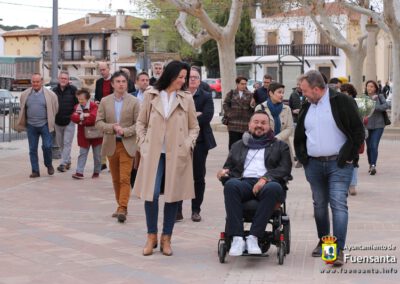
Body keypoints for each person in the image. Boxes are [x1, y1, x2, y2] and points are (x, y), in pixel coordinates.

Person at [294, 70, 365, 267]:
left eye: (305, 90)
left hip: (339, 164)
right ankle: (325, 243)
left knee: (338, 204)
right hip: (314, 165)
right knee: (319, 205)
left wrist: (349, 156)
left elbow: (359, 131)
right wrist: (303, 157)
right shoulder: (307, 105)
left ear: (316, 89)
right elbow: (300, 133)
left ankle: (337, 250)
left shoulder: (342, 101)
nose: (303, 94)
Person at [133, 60, 199, 256]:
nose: (182, 81)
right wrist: (143, 144)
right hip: (153, 152)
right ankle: (151, 236)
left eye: (184, 78)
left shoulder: (186, 98)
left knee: (173, 195)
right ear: (170, 75)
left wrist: (187, 145)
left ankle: (166, 238)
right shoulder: (151, 94)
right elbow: (141, 123)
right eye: (180, 77)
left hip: (177, 153)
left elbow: (194, 127)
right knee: (151, 194)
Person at [218, 111, 292, 256]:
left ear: (270, 126)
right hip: (244, 182)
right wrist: (223, 172)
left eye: (263, 123)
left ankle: (254, 237)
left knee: (273, 187)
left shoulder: (280, 146)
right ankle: (238, 238)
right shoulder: (238, 145)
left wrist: (265, 179)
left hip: (269, 183)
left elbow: (284, 169)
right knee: (231, 186)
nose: (259, 125)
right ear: (249, 124)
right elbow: (229, 168)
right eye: (256, 122)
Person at [96, 71, 140, 223]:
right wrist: (112, 127)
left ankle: (122, 207)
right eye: (118, 81)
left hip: (127, 145)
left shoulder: (134, 101)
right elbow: (99, 122)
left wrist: (125, 131)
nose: (121, 84)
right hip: (111, 144)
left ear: (127, 84)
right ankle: (120, 205)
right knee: (115, 179)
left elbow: (139, 124)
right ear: (113, 84)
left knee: (124, 178)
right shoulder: (104, 101)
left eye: (124, 81)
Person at [176, 66, 216, 222]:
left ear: (200, 80)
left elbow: (207, 117)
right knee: (178, 176)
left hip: (200, 142)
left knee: (198, 177)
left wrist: (186, 118)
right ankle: (177, 210)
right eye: (190, 77)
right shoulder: (178, 95)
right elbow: (174, 117)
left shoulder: (206, 96)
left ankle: (196, 210)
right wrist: (194, 115)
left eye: (196, 77)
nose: (193, 79)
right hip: (180, 141)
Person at [16, 73, 58, 178]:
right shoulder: (25, 94)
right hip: (31, 126)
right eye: (33, 82)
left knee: (47, 147)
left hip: (45, 125)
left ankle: (49, 165)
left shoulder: (50, 95)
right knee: (32, 149)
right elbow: (23, 108)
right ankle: (35, 171)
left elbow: (55, 109)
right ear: (31, 82)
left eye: (37, 82)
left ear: (42, 82)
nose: (35, 84)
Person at [70, 89, 103, 179]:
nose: (80, 101)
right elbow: (73, 118)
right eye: (79, 99)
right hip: (83, 135)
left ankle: (96, 171)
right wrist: (84, 116)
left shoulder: (94, 106)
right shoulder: (77, 106)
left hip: (96, 134)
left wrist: (81, 119)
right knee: (82, 153)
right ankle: (79, 172)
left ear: (87, 99)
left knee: (97, 155)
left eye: (82, 99)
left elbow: (93, 118)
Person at [255, 82, 293, 154]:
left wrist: (276, 139)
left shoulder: (287, 109)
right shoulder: (260, 107)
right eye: (279, 92)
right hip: (265, 146)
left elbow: (290, 128)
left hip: (282, 146)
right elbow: (256, 127)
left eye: (283, 92)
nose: (282, 95)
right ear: (271, 93)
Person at [53, 71, 78, 173]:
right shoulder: (54, 91)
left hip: (69, 121)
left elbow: (78, 105)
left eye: (65, 78)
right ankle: (67, 160)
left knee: (67, 143)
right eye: (61, 78)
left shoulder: (73, 90)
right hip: (57, 121)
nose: (63, 80)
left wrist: (74, 116)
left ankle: (62, 164)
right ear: (59, 79)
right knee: (60, 144)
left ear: (68, 80)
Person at [364, 80, 390, 176]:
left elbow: (386, 106)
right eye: (368, 86)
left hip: (379, 125)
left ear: (375, 88)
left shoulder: (380, 96)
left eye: (371, 86)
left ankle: (373, 165)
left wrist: (374, 105)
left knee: (374, 145)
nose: (369, 88)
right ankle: (370, 164)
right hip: (366, 126)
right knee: (369, 147)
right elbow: (361, 110)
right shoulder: (364, 97)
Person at [340, 83, 361, 196]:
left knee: (354, 159)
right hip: (342, 135)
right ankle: (343, 184)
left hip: (354, 135)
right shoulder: (337, 104)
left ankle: (352, 184)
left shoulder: (356, 104)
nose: (344, 95)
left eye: (346, 93)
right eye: (342, 93)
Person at [130, 71, 150, 188]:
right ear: (137, 82)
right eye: (142, 80)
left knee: (145, 158)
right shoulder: (132, 96)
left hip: (148, 131)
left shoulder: (154, 95)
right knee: (134, 158)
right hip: (134, 131)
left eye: (147, 80)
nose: (145, 82)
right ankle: (134, 181)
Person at [223, 76, 254, 149]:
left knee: (244, 144)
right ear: (237, 84)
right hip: (233, 123)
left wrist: (252, 105)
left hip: (245, 123)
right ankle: (232, 158)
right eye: (242, 84)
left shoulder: (250, 94)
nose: (244, 86)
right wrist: (229, 114)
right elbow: (225, 104)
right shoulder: (231, 93)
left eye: (245, 84)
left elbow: (252, 108)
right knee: (233, 144)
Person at [95, 62, 114, 171]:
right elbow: (97, 96)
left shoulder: (115, 80)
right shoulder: (98, 82)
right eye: (100, 70)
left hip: (112, 112)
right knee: (101, 138)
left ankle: (112, 162)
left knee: (111, 138)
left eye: (104, 69)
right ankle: (102, 162)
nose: (102, 72)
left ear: (109, 69)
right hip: (102, 112)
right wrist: (97, 102)